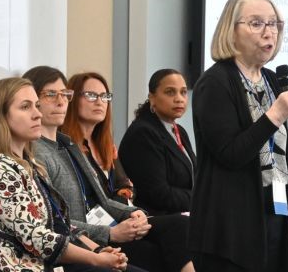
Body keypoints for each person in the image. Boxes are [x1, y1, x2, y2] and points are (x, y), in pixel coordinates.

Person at [189, 0, 288, 272]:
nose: (269, 32)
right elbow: (231, 154)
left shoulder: (271, 80)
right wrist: (275, 115)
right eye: (257, 23)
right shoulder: (214, 84)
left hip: (272, 216)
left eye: (273, 24)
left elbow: (278, 156)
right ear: (230, 31)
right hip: (228, 229)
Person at [25, 66, 194, 272]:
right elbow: (56, 221)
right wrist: (109, 234)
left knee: (181, 226)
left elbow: (106, 198)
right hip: (85, 239)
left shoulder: (69, 143)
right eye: (51, 94)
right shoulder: (38, 152)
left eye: (64, 94)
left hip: (110, 224)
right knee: (156, 252)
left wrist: (136, 213)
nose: (61, 101)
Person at [0, 77, 133, 272]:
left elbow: (58, 224)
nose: (37, 114)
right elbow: (39, 238)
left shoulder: (30, 164)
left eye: (37, 106)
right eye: (25, 107)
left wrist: (97, 250)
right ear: (0, 116)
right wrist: (96, 260)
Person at [119, 69, 196, 215]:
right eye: (170, 92)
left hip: (183, 213)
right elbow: (158, 194)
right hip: (153, 218)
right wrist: (201, 198)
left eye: (183, 92)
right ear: (152, 98)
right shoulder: (143, 133)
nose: (179, 98)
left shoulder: (179, 131)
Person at [61, 72, 133, 204]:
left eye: (105, 96)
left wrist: (124, 195)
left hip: (118, 215)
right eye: (91, 95)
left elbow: (124, 184)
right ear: (73, 99)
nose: (100, 102)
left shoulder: (106, 144)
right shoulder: (63, 145)